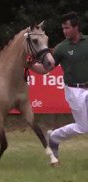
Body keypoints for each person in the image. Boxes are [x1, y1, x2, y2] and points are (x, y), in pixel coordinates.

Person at [31, 11, 88, 159]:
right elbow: (46, 69)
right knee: (83, 127)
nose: (64, 31)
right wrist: (31, 66)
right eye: (63, 28)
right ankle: (54, 137)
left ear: (76, 28)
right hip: (74, 90)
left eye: (67, 28)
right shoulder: (61, 48)